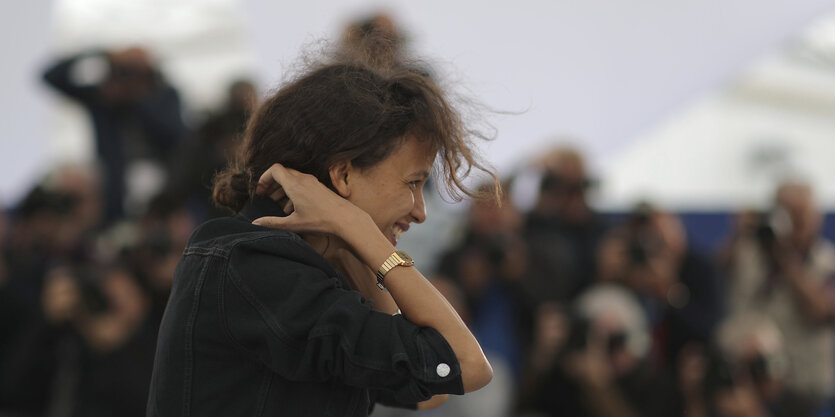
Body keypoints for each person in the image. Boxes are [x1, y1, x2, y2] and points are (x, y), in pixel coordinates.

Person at [146, 52, 494, 416]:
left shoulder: (279, 267)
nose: (420, 211)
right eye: (413, 182)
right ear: (343, 175)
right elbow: (464, 364)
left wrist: (349, 247)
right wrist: (358, 230)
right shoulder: (256, 267)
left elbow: (429, 392)